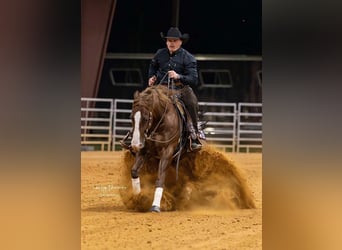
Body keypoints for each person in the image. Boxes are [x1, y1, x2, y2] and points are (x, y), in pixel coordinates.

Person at [120, 27, 202, 151]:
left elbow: (194, 79)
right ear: (166, 42)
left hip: (180, 89)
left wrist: (178, 76)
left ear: (180, 42)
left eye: (174, 41)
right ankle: (134, 135)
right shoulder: (160, 54)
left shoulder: (188, 57)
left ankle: (193, 134)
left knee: (191, 102)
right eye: (169, 40)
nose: (172, 43)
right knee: (142, 102)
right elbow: (152, 66)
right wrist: (151, 77)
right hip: (160, 89)